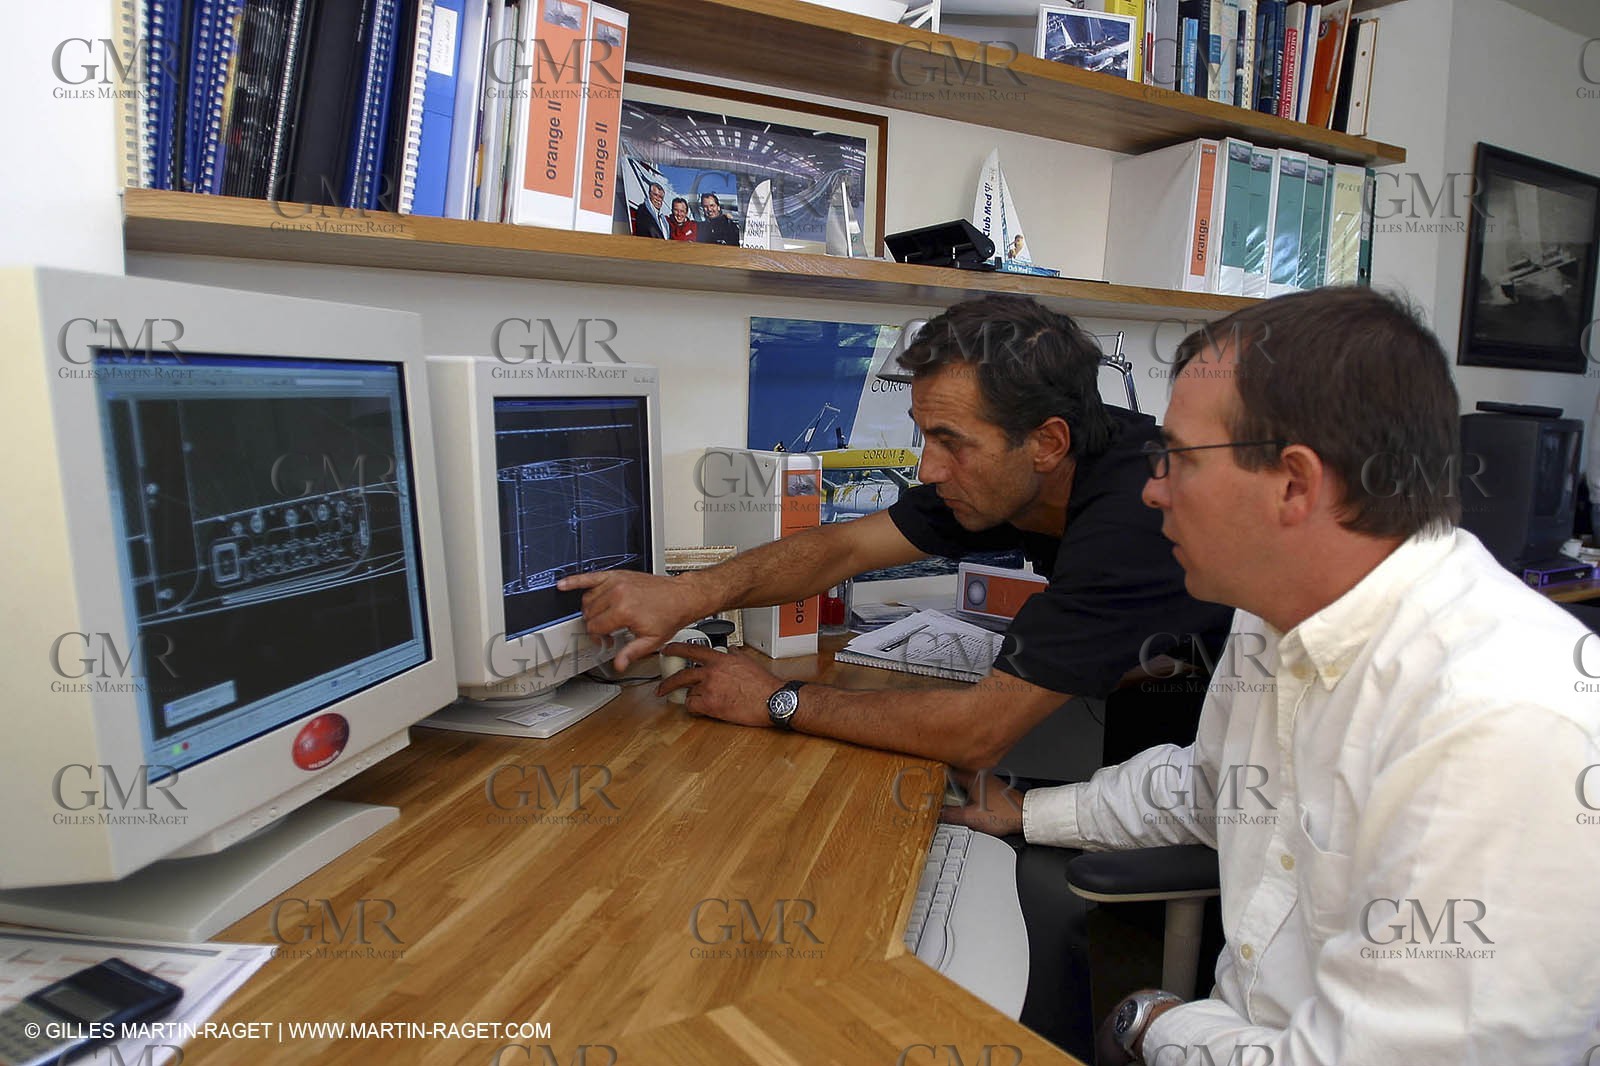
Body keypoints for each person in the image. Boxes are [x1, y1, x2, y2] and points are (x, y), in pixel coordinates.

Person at [946, 287, 1600, 1065]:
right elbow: (1213, 788)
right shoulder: (1274, 611)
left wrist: (1155, 1026)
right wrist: (1027, 810)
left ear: (1294, 484)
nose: (1152, 488)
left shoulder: (1501, 721)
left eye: (1179, 459)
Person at [558, 294, 1231, 771]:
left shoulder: (1133, 517)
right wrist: (688, 594)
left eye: (951, 441)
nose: (928, 469)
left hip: (1220, 776)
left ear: (1048, 442)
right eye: (924, 435)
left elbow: (978, 733)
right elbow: (844, 546)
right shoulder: (1020, 468)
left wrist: (778, 700)